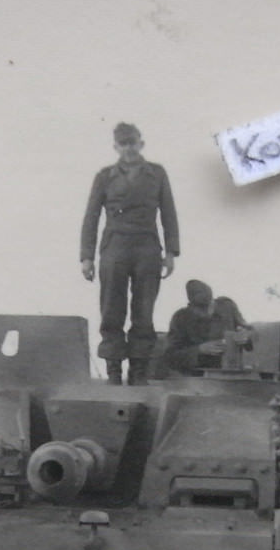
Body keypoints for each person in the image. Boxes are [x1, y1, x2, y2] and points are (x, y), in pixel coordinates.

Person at [80, 122, 180, 385]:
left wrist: (171, 252)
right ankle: (113, 370)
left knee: (144, 310)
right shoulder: (104, 176)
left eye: (132, 143)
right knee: (111, 308)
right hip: (115, 245)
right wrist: (87, 257)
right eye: (123, 144)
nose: (129, 148)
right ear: (116, 147)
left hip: (147, 246)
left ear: (141, 143)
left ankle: (138, 370)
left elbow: (169, 213)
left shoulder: (156, 173)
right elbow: (91, 217)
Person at [160, 279, 249, 376]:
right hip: (197, 376)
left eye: (210, 307)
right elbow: (170, 357)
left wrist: (246, 336)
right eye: (201, 309)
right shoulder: (181, 318)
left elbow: (249, 330)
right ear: (191, 306)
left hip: (232, 372)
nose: (207, 312)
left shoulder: (227, 307)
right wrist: (199, 350)